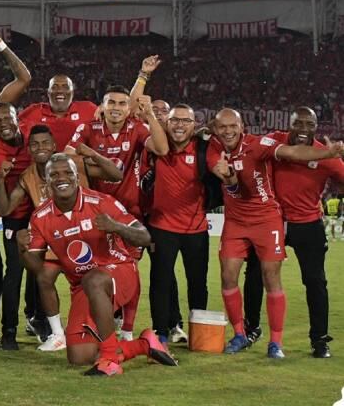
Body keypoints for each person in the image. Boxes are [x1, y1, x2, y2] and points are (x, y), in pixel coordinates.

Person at [17, 153, 177, 376]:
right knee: (80, 357)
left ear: (76, 177)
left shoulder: (101, 202)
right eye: (54, 174)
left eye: (67, 173)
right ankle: (144, 344)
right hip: (84, 287)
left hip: (120, 271)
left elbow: (144, 237)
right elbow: (36, 268)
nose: (61, 178)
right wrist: (22, 248)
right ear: (47, 180)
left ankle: (110, 359)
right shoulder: (40, 216)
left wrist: (117, 227)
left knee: (93, 279)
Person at [207, 108, 344, 359]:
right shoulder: (274, 139)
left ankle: (319, 340)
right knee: (254, 276)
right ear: (288, 125)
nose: (303, 129)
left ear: (316, 127)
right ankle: (250, 330)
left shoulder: (328, 156)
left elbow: (300, 155)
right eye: (298, 123)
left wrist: (329, 154)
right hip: (274, 219)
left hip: (306, 223)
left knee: (315, 281)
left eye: (309, 124)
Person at [0, 125, 121, 351]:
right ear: (29, 150)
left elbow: (115, 175)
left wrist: (92, 154)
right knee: (43, 277)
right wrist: (0, 180)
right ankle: (57, 334)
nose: (40, 148)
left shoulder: (75, 164)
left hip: (88, 237)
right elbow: (4, 209)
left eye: (45, 143)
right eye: (34, 144)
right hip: (55, 240)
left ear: (54, 145)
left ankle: (111, 329)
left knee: (94, 282)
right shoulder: (27, 176)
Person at [66, 84, 169, 338]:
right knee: (96, 270)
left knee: (129, 269)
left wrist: (150, 115)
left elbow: (162, 148)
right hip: (95, 214)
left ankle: (128, 330)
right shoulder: (88, 128)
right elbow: (68, 158)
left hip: (128, 212)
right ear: (102, 106)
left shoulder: (136, 128)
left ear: (128, 108)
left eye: (122, 104)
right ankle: (99, 322)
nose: (116, 108)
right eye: (111, 103)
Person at [146, 104, 215, 344]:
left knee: (198, 283)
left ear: (193, 124)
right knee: (160, 281)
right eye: (175, 120)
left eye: (186, 121)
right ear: (167, 122)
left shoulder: (204, 149)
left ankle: (199, 334)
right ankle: (161, 332)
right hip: (161, 226)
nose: (179, 125)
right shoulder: (156, 145)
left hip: (196, 229)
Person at [18, 74, 97, 149]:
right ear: (48, 93)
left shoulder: (89, 109)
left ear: (72, 93)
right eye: (55, 87)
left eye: (65, 87)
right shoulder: (34, 111)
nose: (59, 91)